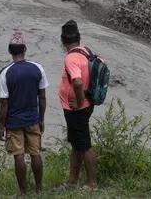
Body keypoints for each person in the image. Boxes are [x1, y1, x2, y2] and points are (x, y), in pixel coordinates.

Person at [0, 30, 47, 195]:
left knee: (18, 155)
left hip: (14, 121)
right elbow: (42, 97)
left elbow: (4, 102)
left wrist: (1, 126)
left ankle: (23, 193)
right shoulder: (38, 68)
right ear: (24, 49)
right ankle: (39, 190)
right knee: (35, 153)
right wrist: (41, 119)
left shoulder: (5, 72)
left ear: (10, 51)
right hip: (33, 119)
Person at [58, 20, 97, 190]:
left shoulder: (71, 58)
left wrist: (79, 102)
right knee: (76, 144)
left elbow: (78, 82)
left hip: (77, 108)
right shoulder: (86, 51)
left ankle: (92, 183)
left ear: (63, 41)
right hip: (87, 103)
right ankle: (72, 181)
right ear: (78, 39)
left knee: (84, 145)